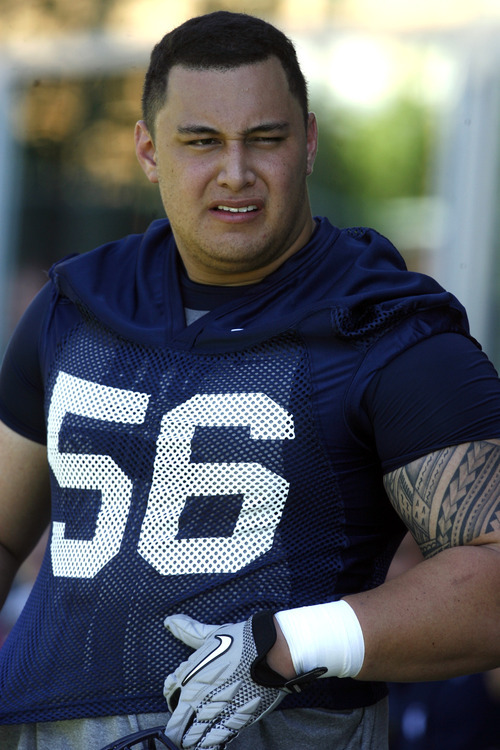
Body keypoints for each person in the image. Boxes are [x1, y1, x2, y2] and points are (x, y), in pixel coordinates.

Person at [0, 10, 500, 750]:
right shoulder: (74, 306)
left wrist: (289, 644)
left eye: (264, 138)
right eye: (201, 141)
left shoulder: (386, 329)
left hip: (280, 729)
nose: (236, 172)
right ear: (147, 150)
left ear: (308, 142)